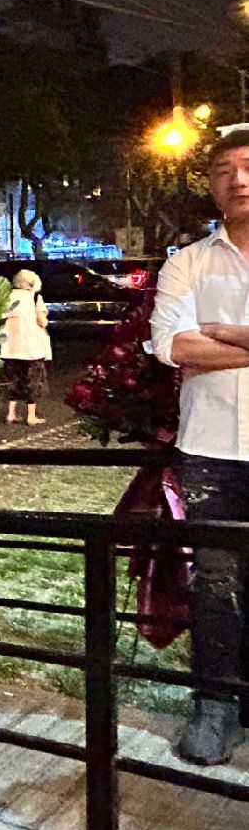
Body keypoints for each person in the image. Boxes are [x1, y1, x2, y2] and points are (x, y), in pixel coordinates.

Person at [150, 125, 249, 765]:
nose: (238, 180)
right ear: (210, 185)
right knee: (215, 581)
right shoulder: (188, 263)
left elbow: (200, 343)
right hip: (212, 448)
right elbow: (172, 345)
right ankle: (214, 705)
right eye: (223, 170)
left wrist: (227, 334)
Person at [0, 269, 51, 426]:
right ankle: (31, 416)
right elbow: (42, 321)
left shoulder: (6, 297)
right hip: (31, 348)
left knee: (12, 381)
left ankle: (11, 414)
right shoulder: (34, 297)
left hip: (9, 346)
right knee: (32, 381)